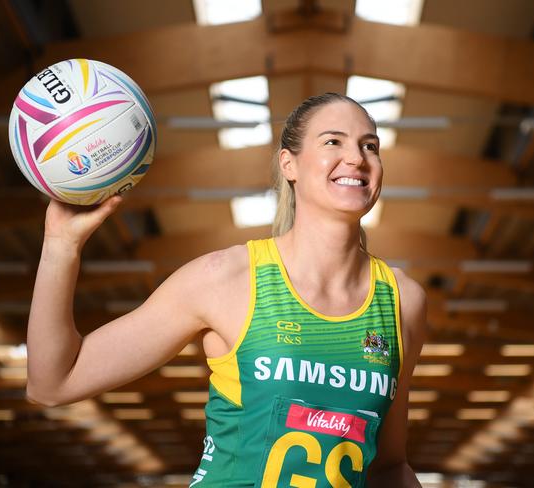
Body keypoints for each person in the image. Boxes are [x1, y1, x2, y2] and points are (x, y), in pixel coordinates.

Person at [26, 92, 427, 487]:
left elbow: (388, 467)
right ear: (289, 164)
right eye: (333, 141)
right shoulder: (224, 279)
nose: (357, 157)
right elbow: (54, 383)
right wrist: (61, 246)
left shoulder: (402, 301)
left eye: (370, 146)